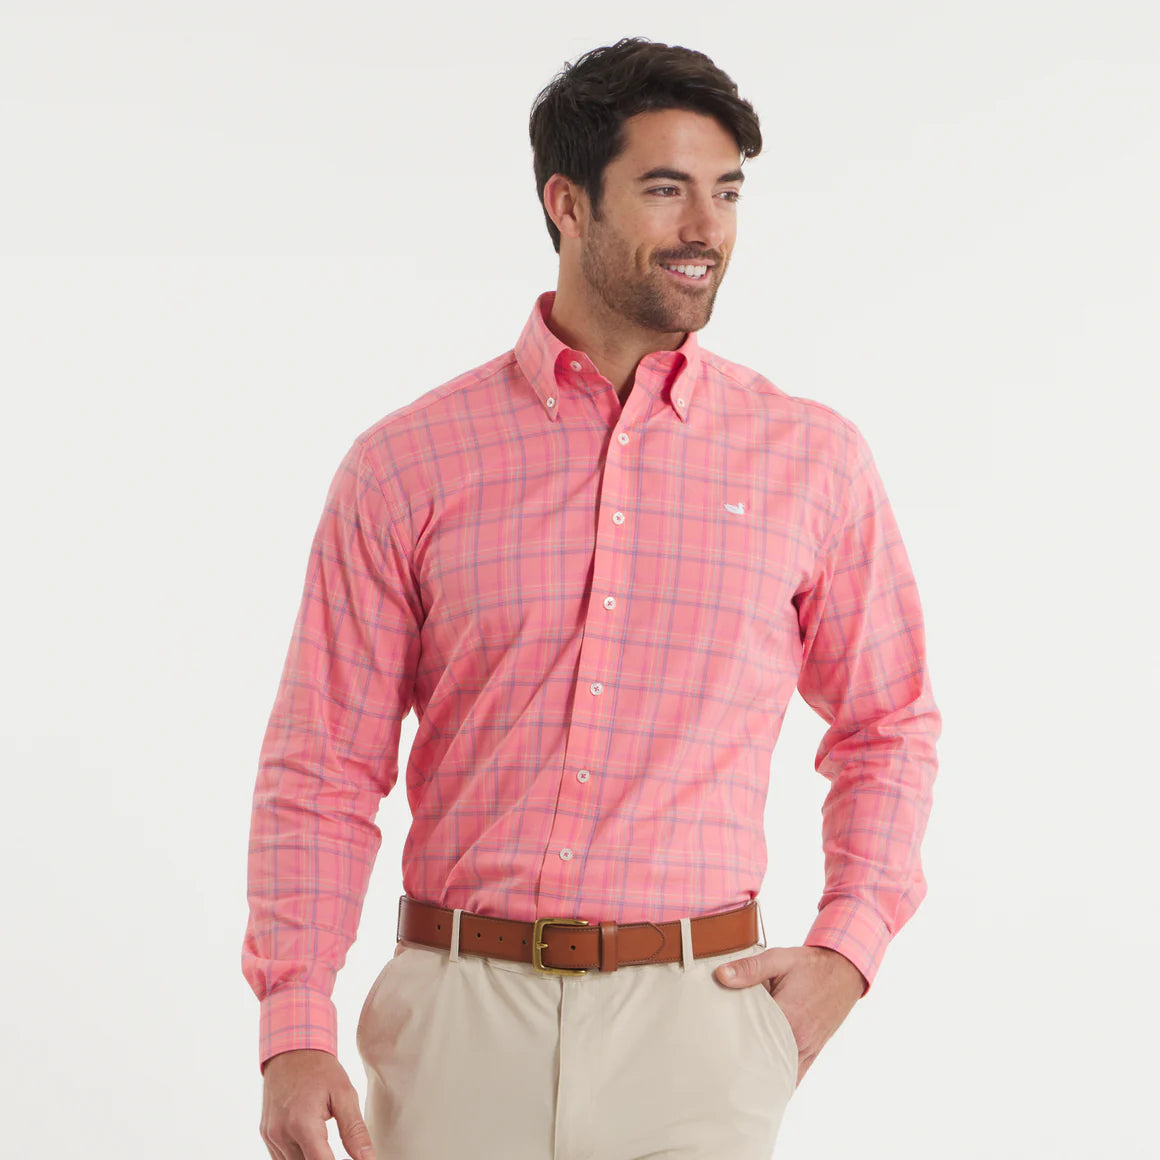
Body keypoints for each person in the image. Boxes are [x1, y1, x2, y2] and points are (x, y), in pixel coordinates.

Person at [242, 36, 941, 1160]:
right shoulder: (407, 464)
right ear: (566, 203)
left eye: (725, 193)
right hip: (459, 1022)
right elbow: (322, 765)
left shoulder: (811, 460)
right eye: (665, 190)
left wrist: (845, 951)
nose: (706, 227)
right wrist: (293, 1024)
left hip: (700, 1025)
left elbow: (888, 724)